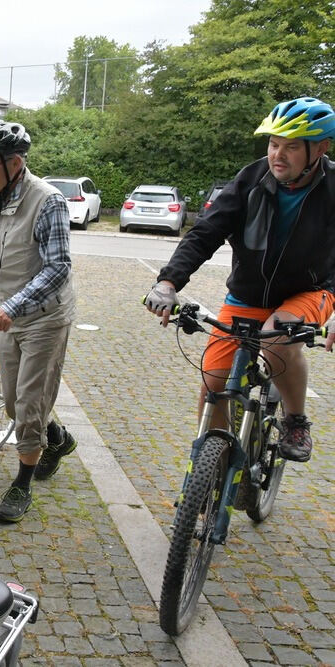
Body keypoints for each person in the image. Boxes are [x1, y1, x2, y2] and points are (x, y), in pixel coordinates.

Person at [145, 96, 335, 463]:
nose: (278, 155)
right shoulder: (250, 178)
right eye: (273, 144)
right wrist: (167, 283)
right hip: (247, 295)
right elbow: (205, 233)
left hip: (310, 291)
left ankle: (295, 419)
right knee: (213, 387)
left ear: (320, 149)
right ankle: (220, 464)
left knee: (278, 338)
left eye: (291, 147)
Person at [0, 122, 77, 523]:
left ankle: (21, 485)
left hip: (44, 319)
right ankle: (59, 439)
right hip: (10, 314)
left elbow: (58, 267)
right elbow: (7, 249)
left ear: (15, 163)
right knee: (15, 401)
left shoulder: (47, 201)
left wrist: (13, 303)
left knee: (29, 407)